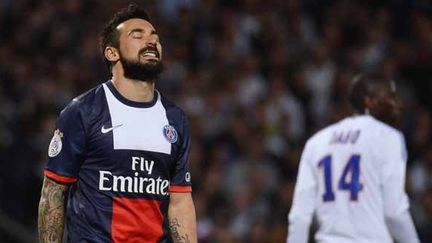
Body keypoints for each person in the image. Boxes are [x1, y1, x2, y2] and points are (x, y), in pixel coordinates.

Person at [38, 4, 197, 243]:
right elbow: (53, 192)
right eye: (138, 35)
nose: (151, 40)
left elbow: (180, 201)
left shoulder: (175, 119)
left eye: (155, 36)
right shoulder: (83, 111)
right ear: (112, 53)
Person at [287, 74, 420, 243]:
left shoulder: (316, 142)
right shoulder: (388, 137)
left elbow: (300, 215)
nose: (398, 103)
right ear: (369, 101)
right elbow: (394, 211)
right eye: (390, 96)